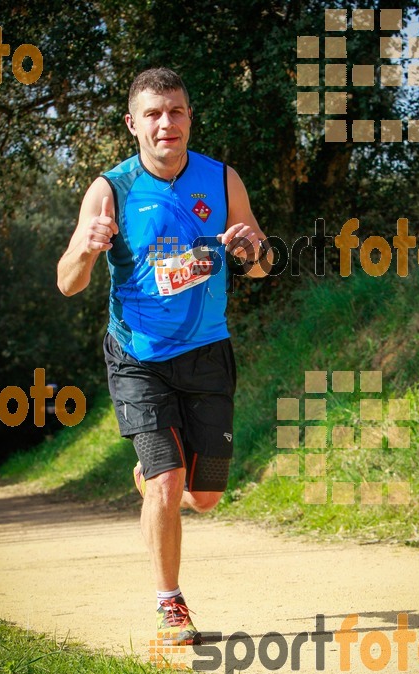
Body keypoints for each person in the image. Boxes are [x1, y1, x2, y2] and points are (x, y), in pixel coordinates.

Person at [58, 67, 272, 644]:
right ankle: (170, 604)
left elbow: (261, 261)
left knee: (205, 496)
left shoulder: (222, 179)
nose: (165, 123)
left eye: (175, 111)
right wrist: (84, 247)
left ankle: (158, 477)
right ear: (133, 124)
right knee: (168, 481)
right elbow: (68, 282)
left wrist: (252, 248)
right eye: (153, 113)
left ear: (189, 118)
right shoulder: (110, 190)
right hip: (138, 356)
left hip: (207, 352)